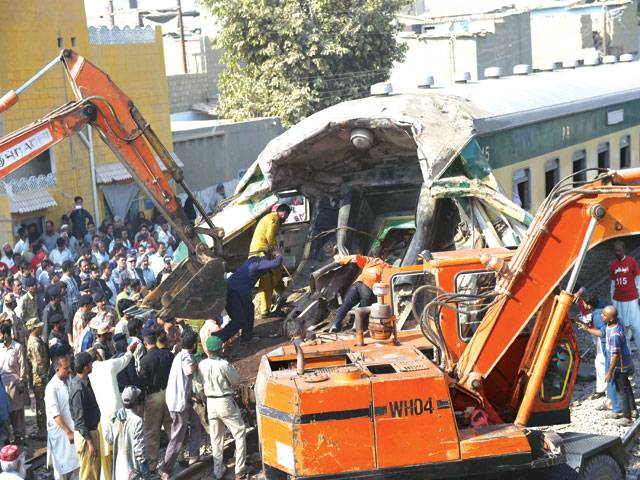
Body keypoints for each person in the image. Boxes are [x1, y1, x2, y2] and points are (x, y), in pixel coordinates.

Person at [197, 336, 248, 480]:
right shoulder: (223, 364)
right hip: (224, 401)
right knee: (239, 433)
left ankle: (218, 470)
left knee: (216, 438)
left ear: (207, 349)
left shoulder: (202, 364)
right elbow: (236, 380)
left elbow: (200, 382)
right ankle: (240, 468)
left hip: (210, 403)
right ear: (220, 349)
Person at [89, 339, 138, 480]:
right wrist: (130, 350)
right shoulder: (109, 365)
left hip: (102, 417)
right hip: (118, 414)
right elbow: (125, 359)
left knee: (106, 452)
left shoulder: (89, 374)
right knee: (123, 449)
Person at [160, 331, 201, 478]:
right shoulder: (188, 358)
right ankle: (166, 468)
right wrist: (198, 364)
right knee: (177, 437)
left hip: (180, 400)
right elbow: (189, 370)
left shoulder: (179, 355)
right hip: (179, 403)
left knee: (196, 422)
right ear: (194, 344)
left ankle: (194, 455)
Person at [218, 252, 284, 343]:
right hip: (233, 293)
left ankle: (247, 336)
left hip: (236, 291)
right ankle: (218, 339)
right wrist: (279, 254)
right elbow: (276, 263)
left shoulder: (251, 260)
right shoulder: (259, 263)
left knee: (249, 310)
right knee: (239, 320)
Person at [329, 254, 393, 332]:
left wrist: (339, 261)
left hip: (357, 284)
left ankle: (335, 325)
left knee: (346, 305)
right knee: (363, 308)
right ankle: (356, 326)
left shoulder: (372, 260)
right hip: (368, 287)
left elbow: (354, 257)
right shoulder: (388, 268)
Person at [139, 331, 174, 469]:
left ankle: (153, 465)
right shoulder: (168, 355)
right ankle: (180, 456)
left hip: (153, 397)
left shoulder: (145, 360)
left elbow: (142, 383)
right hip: (170, 393)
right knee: (172, 427)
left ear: (146, 343)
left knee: (152, 432)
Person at [248, 204, 291, 316]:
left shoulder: (269, 217)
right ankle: (265, 311)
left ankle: (281, 294)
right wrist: (276, 252)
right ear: (284, 213)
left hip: (258, 252)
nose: (285, 219)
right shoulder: (274, 219)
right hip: (261, 252)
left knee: (274, 274)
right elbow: (270, 237)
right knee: (266, 282)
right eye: (286, 216)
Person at [45, 356, 80, 479]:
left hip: (72, 428)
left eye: (69, 367)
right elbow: (56, 415)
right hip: (61, 433)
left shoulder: (70, 380)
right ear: (57, 369)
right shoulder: (51, 388)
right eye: (66, 368)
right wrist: (68, 432)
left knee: (76, 465)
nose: (69, 370)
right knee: (62, 469)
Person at [105, 386, 150, 480]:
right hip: (133, 472)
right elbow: (140, 451)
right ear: (136, 401)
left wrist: (110, 422)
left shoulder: (115, 417)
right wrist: (145, 472)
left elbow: (108, 439)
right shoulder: (137, 421)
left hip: (119, 470)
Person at [69, 352, 101, 480]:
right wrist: (90, 443)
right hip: (87, 436)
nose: (92, 365)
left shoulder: (83, 382)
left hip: (91, 433)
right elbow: (79, 419)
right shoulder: (78, 389)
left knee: (94, 472)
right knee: (89, 474)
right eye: (90, 364)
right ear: (85, 367)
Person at [610, 240, 640, 350]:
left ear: (624, 250)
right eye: (615, 250)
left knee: (636, 326)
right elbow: (613, 283)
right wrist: (612, 299)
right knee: (622, 327)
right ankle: (626, 352)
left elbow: (638, 277)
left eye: (619, 250)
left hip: (631, 299)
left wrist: (638, 292)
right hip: (618, 300)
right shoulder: (613, 264)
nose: (617, 252)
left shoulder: (631, 261)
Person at [0, 325, 27, 445]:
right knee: (4, 413)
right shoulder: (0, 347)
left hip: (15, 385)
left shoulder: (17, 347)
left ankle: (18, 436)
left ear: (6, 334)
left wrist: (22, 381)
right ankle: (6, 437)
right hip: (2, 385)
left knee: (17, 412)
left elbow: (23, 367)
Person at [26, 318, 49, 439]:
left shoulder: (36, 340)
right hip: (39, 379)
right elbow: (38, 364)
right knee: (41, 405)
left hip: (40, 376)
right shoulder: (35, 343)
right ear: (33, 329)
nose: (40, 328)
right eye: (38, 327)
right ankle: (42, 431)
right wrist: (45, 378)